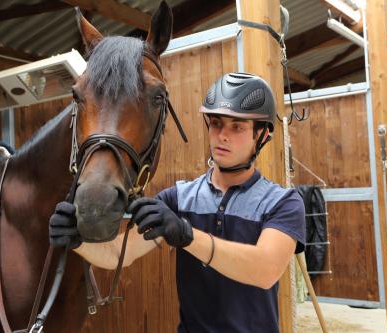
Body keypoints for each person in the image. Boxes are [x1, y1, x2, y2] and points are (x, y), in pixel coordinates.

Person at [49, 72, 306, 333]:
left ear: (261, 135)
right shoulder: (178, 198)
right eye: (216, 123)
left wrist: (187, 235)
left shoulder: (282, 202)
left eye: (237, 127)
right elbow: (118, 254)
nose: (223, 135)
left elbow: (264, 270)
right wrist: (78, 242)